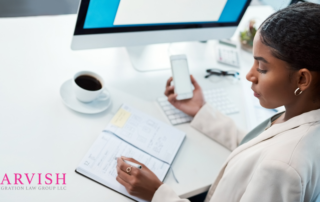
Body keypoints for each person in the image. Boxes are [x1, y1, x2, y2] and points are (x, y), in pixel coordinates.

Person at [115, 2, 320, 202]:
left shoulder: (282, 168)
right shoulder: (303, 112)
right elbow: (258, 144)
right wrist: (202, 112)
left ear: (302, 79)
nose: (250, 75)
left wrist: (157, 194)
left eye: (262, 68)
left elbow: (271, 156)